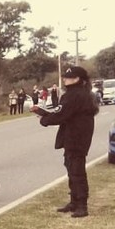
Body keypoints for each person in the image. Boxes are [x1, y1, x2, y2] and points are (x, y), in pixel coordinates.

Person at [32, 65, 99, 217]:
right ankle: (74, 201)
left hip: (76, 136)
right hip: (77, 135)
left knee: (76, 171)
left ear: (77, 79)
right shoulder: (83, 94)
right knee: (71, 167)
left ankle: (82, 204)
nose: (65, 79)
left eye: (68, 77)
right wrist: (44, 113)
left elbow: (61, 114)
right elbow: (63, 112)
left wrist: (45, 120)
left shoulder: (74, 95)